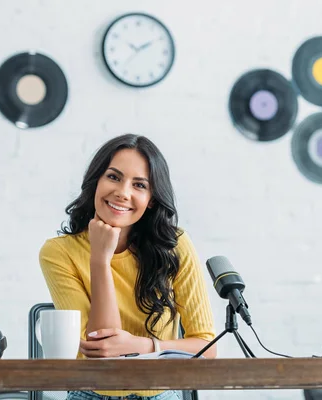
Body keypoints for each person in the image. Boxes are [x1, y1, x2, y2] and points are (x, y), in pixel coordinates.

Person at [39, 133, 216, 400]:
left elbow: (205, 346)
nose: (123, 193)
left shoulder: (174, 245)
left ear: (152, 199)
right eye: (113, 177)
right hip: (91, 393)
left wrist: (143, 345)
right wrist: (100, 259)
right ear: (95, 181)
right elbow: (102, 352)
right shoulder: (59, 252)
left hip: (160, 395)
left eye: (139, 185)